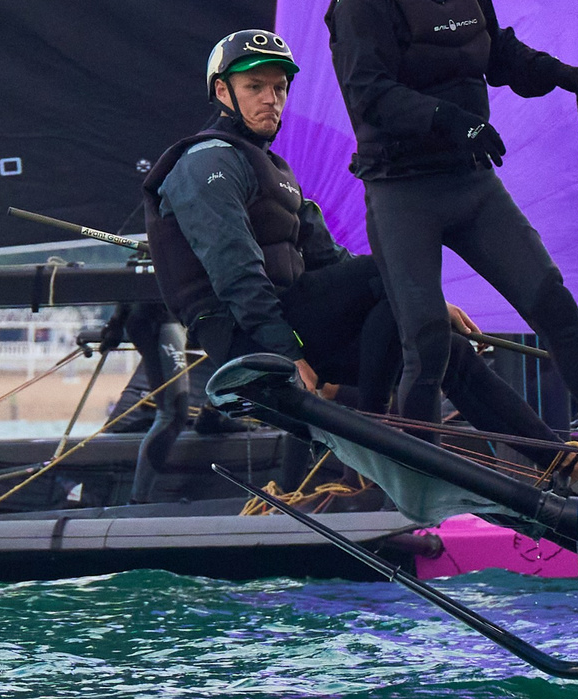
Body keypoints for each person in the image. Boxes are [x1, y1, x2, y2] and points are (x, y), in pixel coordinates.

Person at [121, 28, 550, 496]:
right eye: (254, 87)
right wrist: (287, 353)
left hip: (296, 323)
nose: (271, 99)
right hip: (246, 338)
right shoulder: (205, 163)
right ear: (222, 91)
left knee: (436, 341)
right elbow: (235, 272)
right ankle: (381, 453)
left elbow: (331, 260)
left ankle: (559, 461)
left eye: (279, 88)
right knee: (388, 276)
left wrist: (425, 306)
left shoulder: (277, 172)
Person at [327, 0, 578, 438]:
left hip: (469, 183)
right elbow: (368, 94)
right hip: (402, 191)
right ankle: (421, 461)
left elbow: (498, 54)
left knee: (553, 303)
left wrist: (563, 74)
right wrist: (453, 121)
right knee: (428, 341)